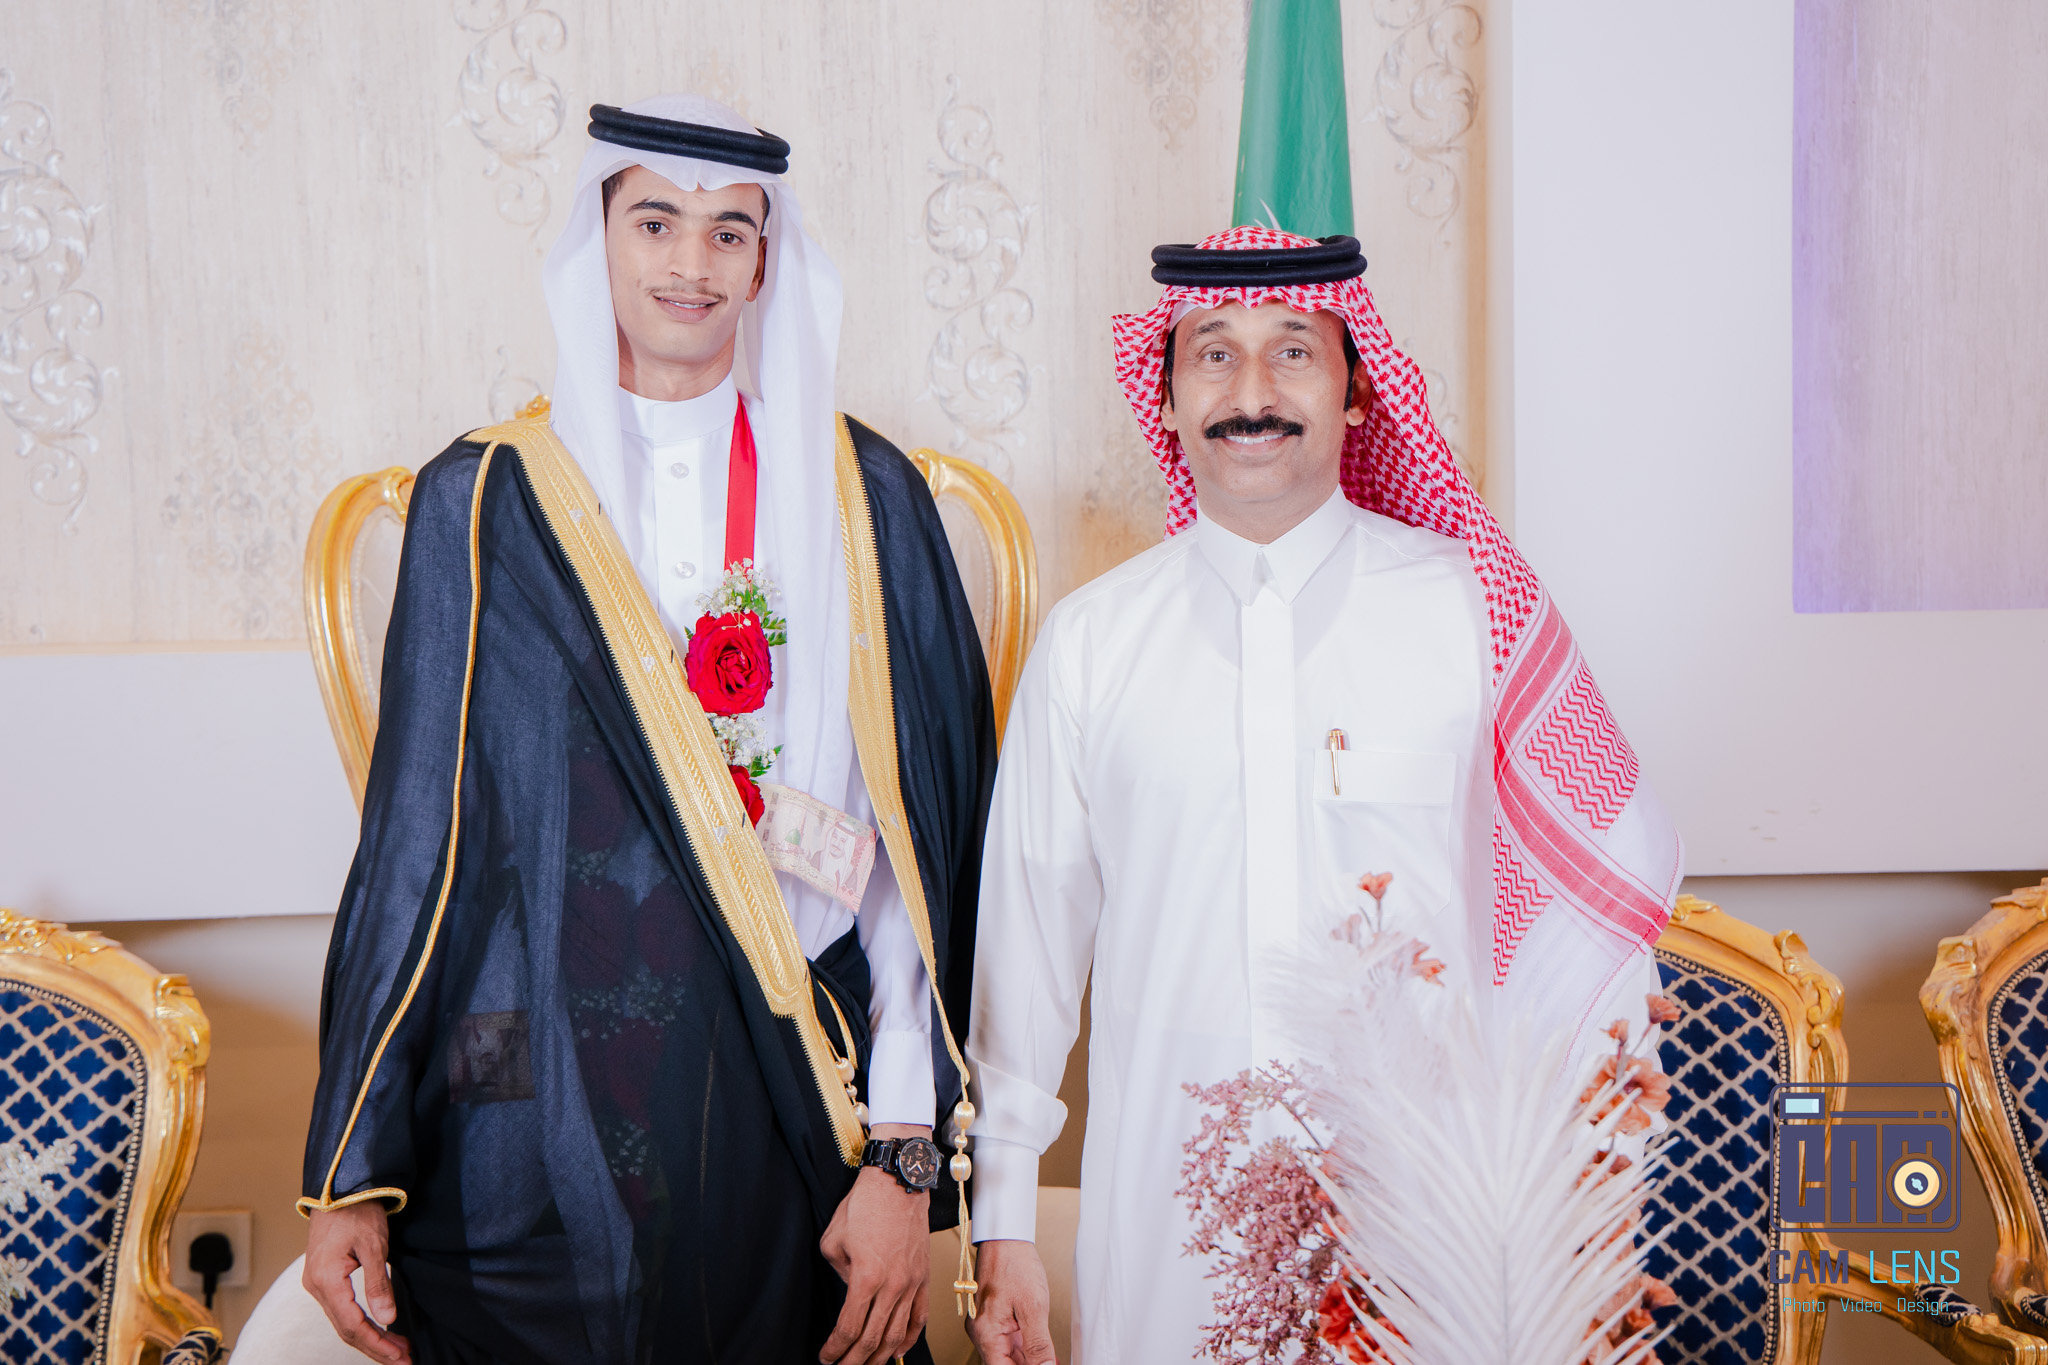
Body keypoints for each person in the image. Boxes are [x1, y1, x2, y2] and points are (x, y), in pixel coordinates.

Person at [298, 95, 995, 1365]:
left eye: (729, 232)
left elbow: (915, 868)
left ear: (766, 262)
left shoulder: (862, 500)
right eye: (656, 222)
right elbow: (424, 854)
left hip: (791, 1077)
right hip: (530, 1078)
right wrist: (354, 1168)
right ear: (599, 237)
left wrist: (903, 1154)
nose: (691, 263)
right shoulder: (485, 500)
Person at [963, 227, 1682, 1364]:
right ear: (1166, 397)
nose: (1251, 391)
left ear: (1355, 391)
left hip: (1430, 1223)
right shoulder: (1092, 643)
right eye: (1213, 353)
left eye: (1293, 350)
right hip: (1168, 1217)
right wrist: (1002, 1216)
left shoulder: (1469, 614)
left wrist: (1580, 1199)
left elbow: (1575, 917)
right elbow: (1026, 955)